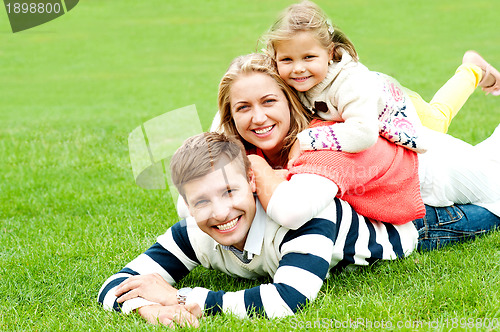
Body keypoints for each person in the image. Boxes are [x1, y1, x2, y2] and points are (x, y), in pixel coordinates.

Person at [98, 132, 500, 327]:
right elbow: (116, 284)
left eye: (229, 192)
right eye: (201, 201)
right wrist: (150, 308)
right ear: (186, 202)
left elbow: (287, 299)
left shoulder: (299, 220)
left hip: (412, 228)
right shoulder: (194, 231)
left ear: (252, 184)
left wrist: (186, 297)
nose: (219, 212)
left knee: (494, 206)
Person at [215, 52, 500, 229]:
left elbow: (291, 214)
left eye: (268, 101)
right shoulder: (251, 140)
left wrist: (255, 166)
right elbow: (192, 197)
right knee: (488, 156)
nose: (258, 118)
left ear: (290, 102)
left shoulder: (320, 140)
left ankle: (473, 69)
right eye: (242, 107)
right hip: (400, 191)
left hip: (430, 171)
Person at [264, 1, 500, 155]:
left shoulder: (349, 83)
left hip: (399, 106)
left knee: (438, 120)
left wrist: (306, 139)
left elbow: (363, 133)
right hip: (376, 92)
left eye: (308, 57)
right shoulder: (282, 76)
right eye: (287, 60)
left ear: (329, 53)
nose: (297, 69)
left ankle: (472, 70)